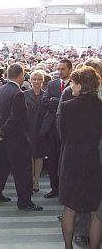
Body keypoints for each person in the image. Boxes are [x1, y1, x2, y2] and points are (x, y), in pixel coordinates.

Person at [58, 66, 102, 249]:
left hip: (71, 159)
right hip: (93, 160)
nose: (71, 86)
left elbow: (62, 135)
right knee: (95, 212)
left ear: (81, 85)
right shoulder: (101, 107)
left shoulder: (67, 107)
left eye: (73, 83)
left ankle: (68, 246)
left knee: (70, 208)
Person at [0, 63, 43, 211]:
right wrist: (2, 132)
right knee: (23, 172)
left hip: (2, 138)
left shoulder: (1, 90)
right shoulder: (18, 93)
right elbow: (15, 118)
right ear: (21, 75)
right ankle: (24, 202)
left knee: (0, 168)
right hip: (16, 140)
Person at [40, 59, 73, 199]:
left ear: (70, 69)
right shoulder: (52, 84)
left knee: (65, 161)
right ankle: (54, 188)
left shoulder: (75, 85)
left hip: (68, 130)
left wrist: (56, 101)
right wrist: (58, 101)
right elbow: (44, 102)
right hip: (51, 129)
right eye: (58, 69)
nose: (60, 72)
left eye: (63, 69)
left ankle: (66, 190)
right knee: (52, 160)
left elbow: (72, 105)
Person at [24, 70, 46, 192]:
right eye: (34, 79)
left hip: (41, 130)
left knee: (39, 155)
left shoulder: (46, 94)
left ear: (42, 81)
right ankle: (30, 179)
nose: (36, 81)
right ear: (30, 80)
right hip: (28, 129)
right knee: (29, 155)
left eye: (39, 79)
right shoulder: (24, 94)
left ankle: (36, 180)